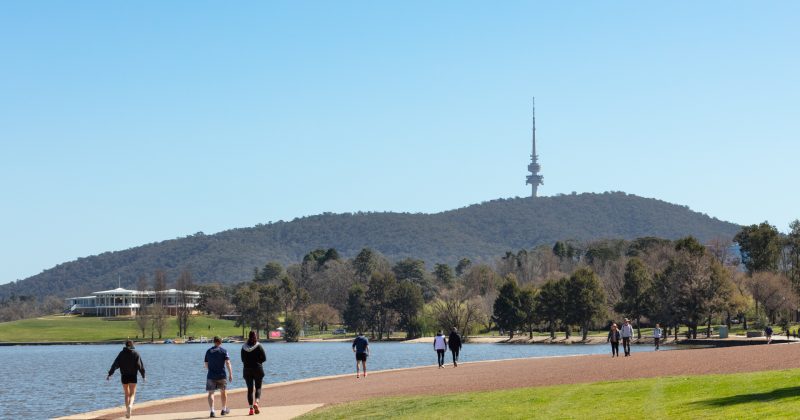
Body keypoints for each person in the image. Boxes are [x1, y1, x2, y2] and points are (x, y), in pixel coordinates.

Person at [107, 340, 146, 419]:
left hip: (124, 376)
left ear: (125, 345)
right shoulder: (136, 354)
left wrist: (110, 374)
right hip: (133, 376)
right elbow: (140, 366)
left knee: (126, 394)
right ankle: (130, 406)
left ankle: (127, 411)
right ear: (132, 345)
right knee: (132, 394)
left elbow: (115, 364)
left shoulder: (121, 354)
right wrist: (143, 376)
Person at [205, 336, 233, 418]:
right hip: (221, 375)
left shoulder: (208, 351)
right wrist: (230, 374)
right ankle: (223, 410)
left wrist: (210, 370)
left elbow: (206, 364)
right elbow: (228, 363)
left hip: (211, 375)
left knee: (211, 393)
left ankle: (212, 411)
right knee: (223, 392)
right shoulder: (224, 351)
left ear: (214, 342)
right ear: (220, 342)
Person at [241, 331, 266, 416]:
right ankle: (257, 403)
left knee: (250, 390)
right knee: (258, 387)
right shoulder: (258, 346)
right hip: (258, 369)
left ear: (249, 337)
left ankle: (251, 409)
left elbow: (242, 360)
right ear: (256, 337)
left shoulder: (243, 347)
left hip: (247, 370)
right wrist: (258, 362)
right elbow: (264, 358)